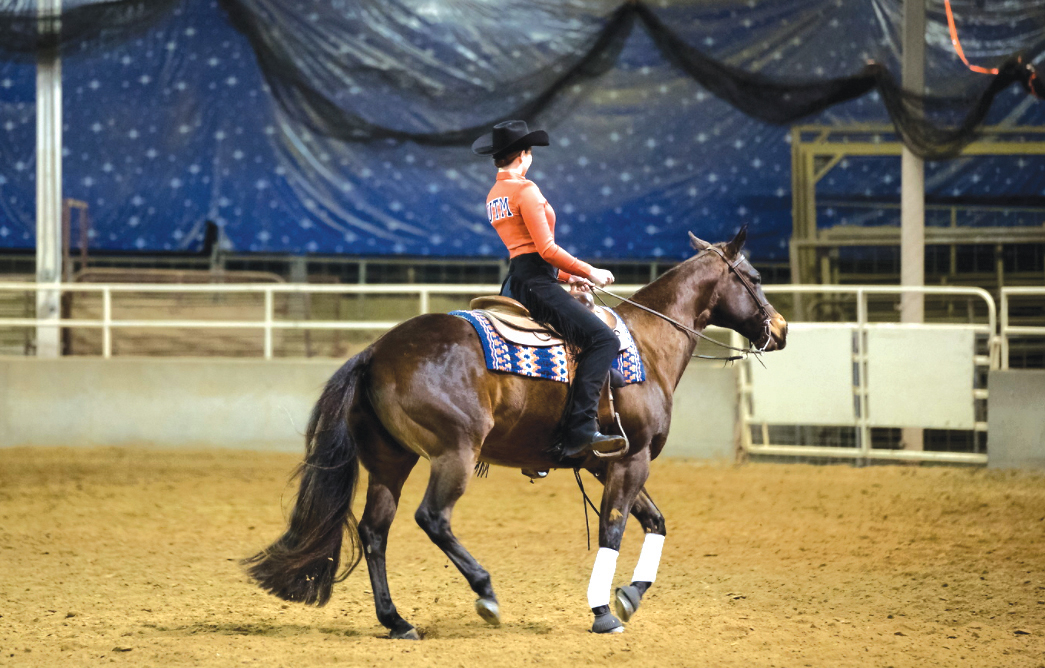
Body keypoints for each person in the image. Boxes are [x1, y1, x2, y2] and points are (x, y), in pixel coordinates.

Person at [472, 120, 626, 458]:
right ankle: (582, 429)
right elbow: (546, 249)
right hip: (537, 283)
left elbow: (525, 253)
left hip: (519, 281)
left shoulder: (494, 195)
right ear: (523, 155)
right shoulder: (526, 191)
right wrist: (590, 271)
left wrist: (569, 279)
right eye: (529, 152)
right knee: (604, 340)